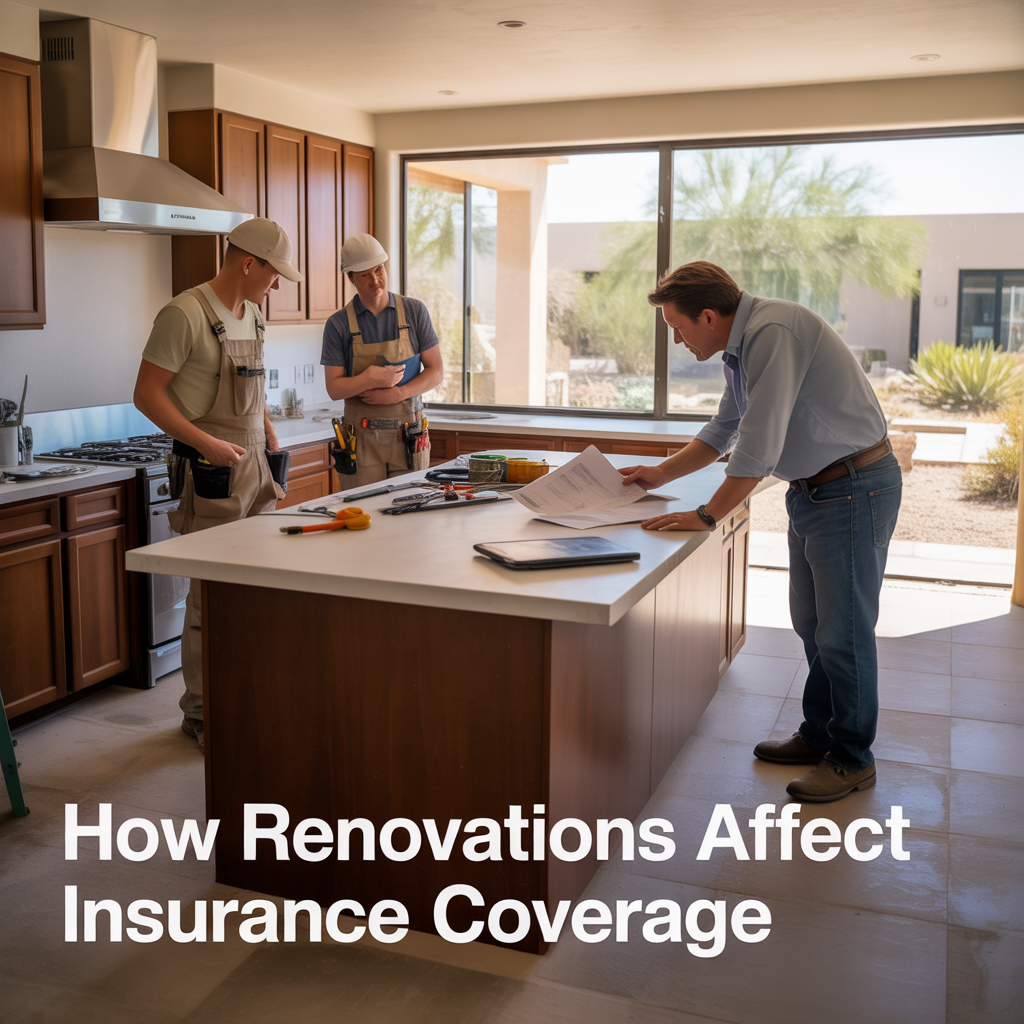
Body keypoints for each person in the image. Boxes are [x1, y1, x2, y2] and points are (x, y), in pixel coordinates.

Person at [620, 261, 902, 803]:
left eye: (678, 328)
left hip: (852, 486)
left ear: (708, 315)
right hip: (817, 489)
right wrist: (660, 474)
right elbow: (726, 425)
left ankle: (851, 758)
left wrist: (708, 514)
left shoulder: (773, 332)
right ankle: (820, 734)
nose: (677, 340)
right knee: (814, 624)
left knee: (843, 633)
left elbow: (758, 443)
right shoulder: (744, 344)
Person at [133, 218, 303, 752]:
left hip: (254, 468)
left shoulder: (251, 314)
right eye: (274, 274)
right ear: (248, 263)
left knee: (256, 594)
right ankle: (203, 714)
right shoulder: (183, 314)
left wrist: (271, 438)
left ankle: (246, 697)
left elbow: (255, 397)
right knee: (209, 600)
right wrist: (204, 443)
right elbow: (146, 394)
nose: (276, 286)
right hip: (209, 472)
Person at [320, 234, 443, 487]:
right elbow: (334, 388)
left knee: (409, 516)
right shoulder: (338, 324)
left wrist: (400, 393)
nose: (375, 280)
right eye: (365, 275)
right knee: (365, 516)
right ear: (351, 277)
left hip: (408, 437)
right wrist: (369, 378)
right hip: (361, 442)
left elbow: (437, 371)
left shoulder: (414, 311)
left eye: (378, 270)